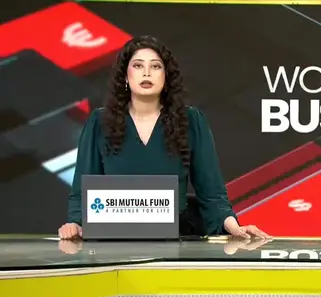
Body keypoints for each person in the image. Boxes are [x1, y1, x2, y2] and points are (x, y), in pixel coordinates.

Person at [57, 36, 269, 240]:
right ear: (125, 76)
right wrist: (75, 223)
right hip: (114, 242)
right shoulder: (99, 122)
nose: (146, 72)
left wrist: (233, 226)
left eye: (156, 66)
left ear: (166, 77)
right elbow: (82, 191)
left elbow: (212, 194)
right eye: (138, 65)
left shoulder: (190, 120)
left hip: (176, 240)